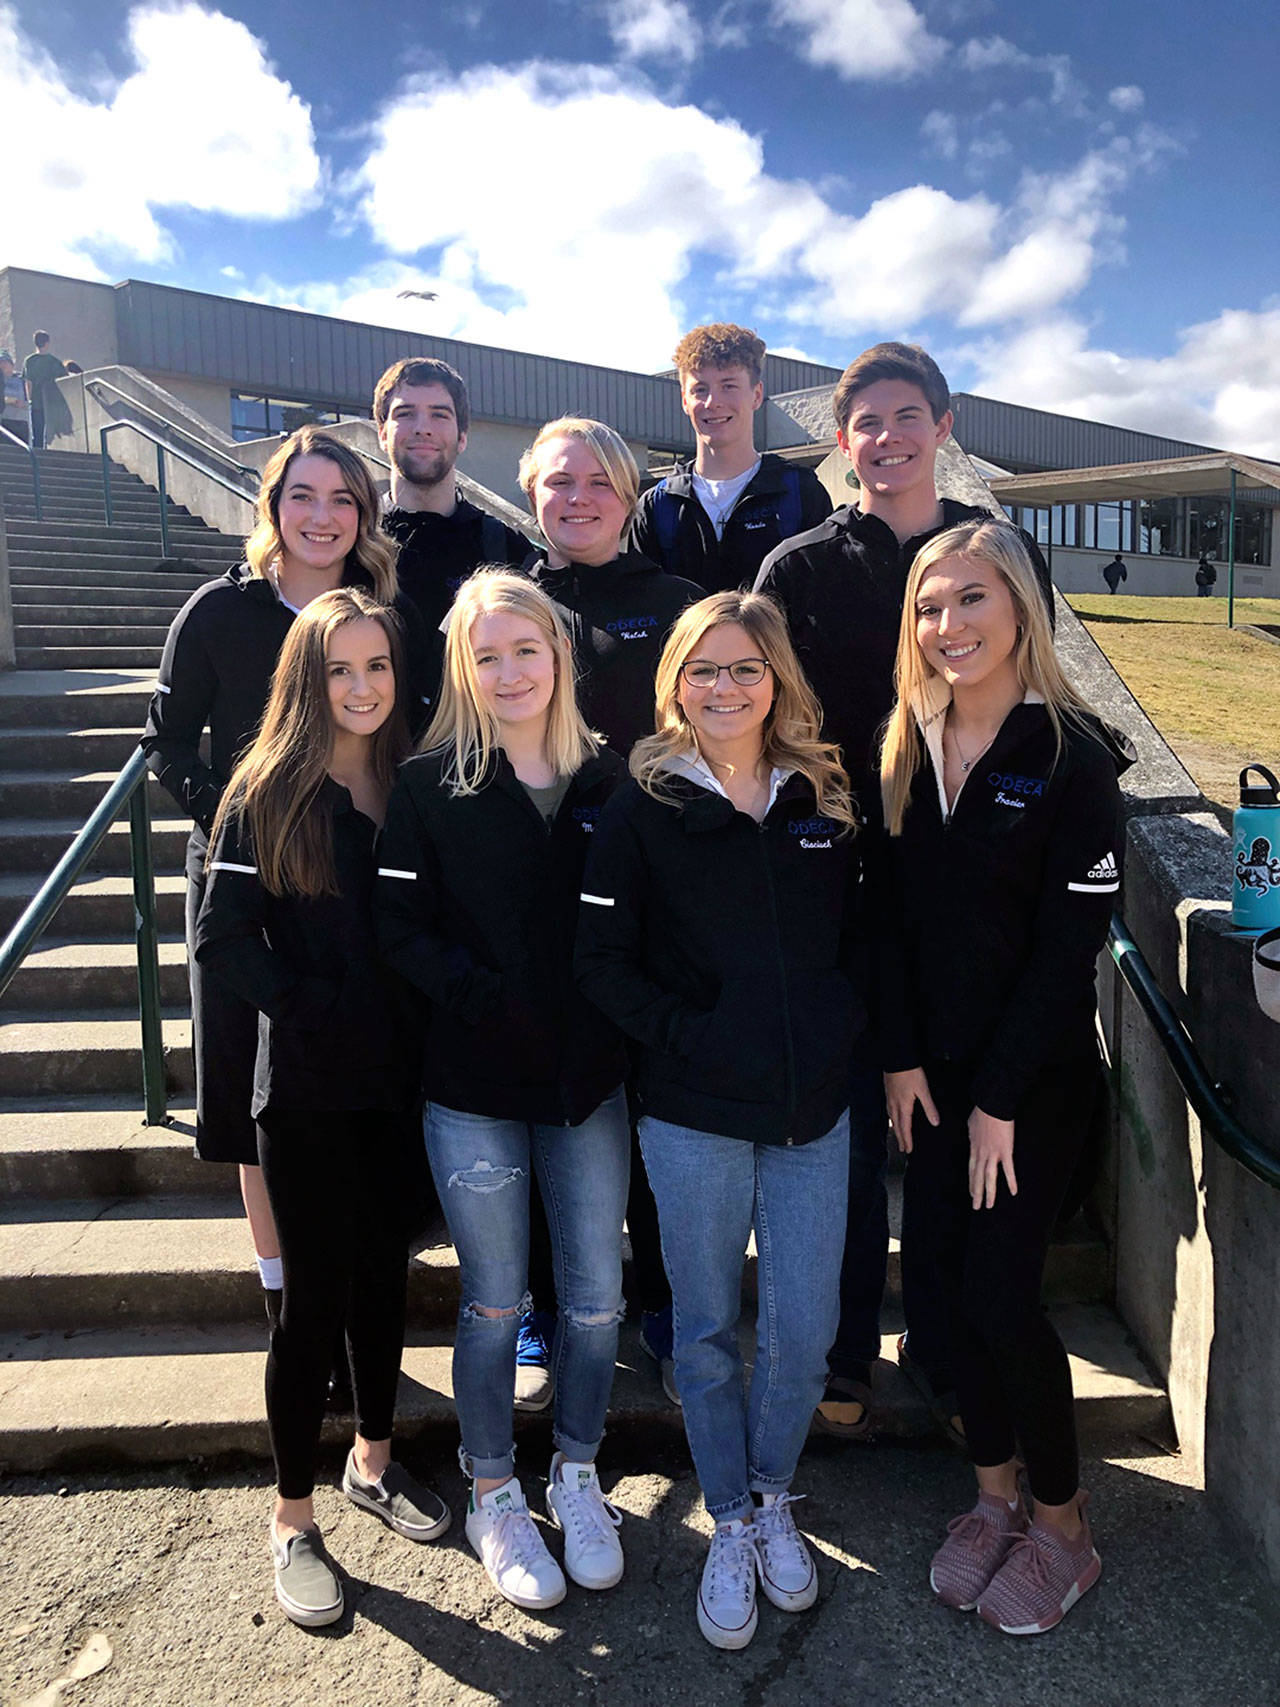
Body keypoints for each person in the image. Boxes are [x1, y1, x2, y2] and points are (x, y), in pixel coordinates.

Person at [755, 340, 1055, 1444]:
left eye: (905, 416)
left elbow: (1031, 690)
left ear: (942, 425)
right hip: (831, 885)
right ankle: (843, 1349)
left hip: (954, 889)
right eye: (866, 423)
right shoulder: (795, 568)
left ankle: (936, 1343)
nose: (886, 439)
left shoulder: (993, 553)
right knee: (840, 1128)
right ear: (842, 442)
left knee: (937, 1126)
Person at [576, 590, 864, 1650]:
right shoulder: (640, 805)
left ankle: (772, 1492)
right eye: (703, 668)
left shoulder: (823, 798)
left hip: (810, 1112)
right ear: (676, 684)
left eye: (745, 667)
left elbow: (862, 943)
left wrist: (837, 1031)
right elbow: (601, 962)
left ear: (776, 679)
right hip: (693, 1113)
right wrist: (689, 1039)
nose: (725, 686)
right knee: (701, 1330)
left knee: (804, 1332)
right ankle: (730, 1520)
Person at [877, 518, 1131, 1635]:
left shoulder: (1074, 759)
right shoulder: (904, 742)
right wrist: (897, 1056)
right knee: (937, 1292)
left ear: (1020, 605)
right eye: (929, 606)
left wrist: (997, 1102)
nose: (948, 624)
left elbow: (1065, 954)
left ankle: (1064, 1529)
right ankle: (993, 1500)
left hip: (1031, 1088)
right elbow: (884, 921)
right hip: (929, 1082)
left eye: (970, 598)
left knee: (999, 1297)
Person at [142, 427, 432, 1350]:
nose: (322, 515)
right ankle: (290, 1307)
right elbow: (164, 742)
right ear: (273, 507)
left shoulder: (389, 618)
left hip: (360, 883)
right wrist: (243, 817)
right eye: (302, 495)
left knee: (364, 1087)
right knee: (249, 1099)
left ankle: (361, 1293)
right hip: (248, 887)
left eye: (343, 498)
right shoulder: (218, 612)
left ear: (366, 514)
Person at [375, 570, 630, 1613]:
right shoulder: (428, 786)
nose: (511, 670)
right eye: (488, 656)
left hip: (586, 1088)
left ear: (559, 656)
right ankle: (492, 1491)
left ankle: (577, 1470)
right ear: (463, 670)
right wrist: (487, 999)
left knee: (597, 1299)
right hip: (474, 1084)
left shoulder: (612, 781)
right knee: (492, 1299)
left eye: (527, 649)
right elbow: (399, 931)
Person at [196, 588, 449, 1629]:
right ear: (306, 677)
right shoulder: (265, 789)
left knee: (385, 1282)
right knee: (310, 1308)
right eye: (339, 668)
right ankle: (292, 1519)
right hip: (304, 1092)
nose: (361, 685)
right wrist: (312, 1007)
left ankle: (373, 1463)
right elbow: (220, 936)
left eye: (377, 666)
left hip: (400, 1088)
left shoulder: (416, 781)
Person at [631, 323, 830, 594]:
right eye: (700, 389)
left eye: (729, 386)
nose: (713, 402)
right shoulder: (656, 507)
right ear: (685, 401)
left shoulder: (801, 493)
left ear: (756, 395)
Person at [376, 356, 528, 641]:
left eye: (439, 414)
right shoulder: (354, 541)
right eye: (405, 413)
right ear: (383, 435)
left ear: (462, 437)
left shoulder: (508, 550)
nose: (423, 428)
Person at [22, 331, 67, 449]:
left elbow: (28, 383)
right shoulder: (54, 361)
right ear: (47, 343)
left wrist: (28, 400)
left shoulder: (29, 361)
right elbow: (64, 380)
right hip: (52, 402)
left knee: (37, 432)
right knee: (53, 432)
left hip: (36, 402)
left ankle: (37, 454)